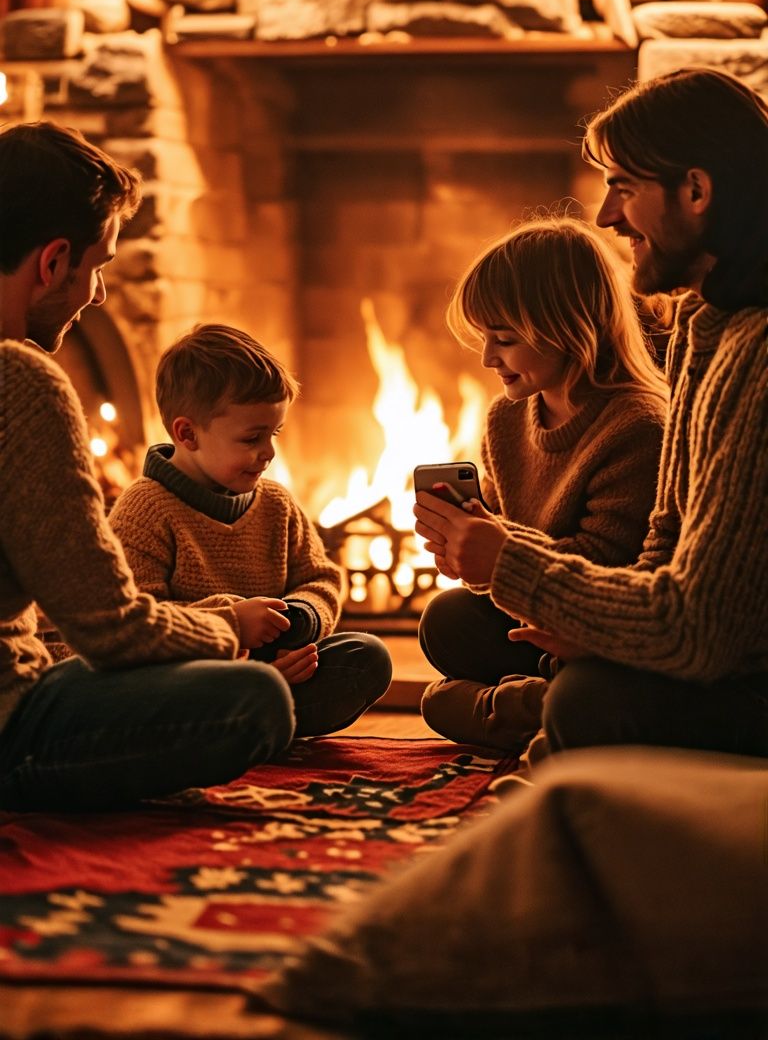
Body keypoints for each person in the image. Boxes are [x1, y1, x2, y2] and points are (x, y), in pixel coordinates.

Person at [415, 68, 768, 758]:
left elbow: (696, 632)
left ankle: (549, 720)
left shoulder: (755, 351)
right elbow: (661, 551)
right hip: (705, 642)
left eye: (624, 187)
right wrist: (581, 622)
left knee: (589, 701)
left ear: (696, 192)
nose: (606, 216)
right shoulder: (706, 325)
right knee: (456, 625)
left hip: (743, 669)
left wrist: (514, 567)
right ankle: (547, 718)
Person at [0, 120, 298, 813]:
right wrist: (229, 629)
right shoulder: (21, 383)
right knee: (256, 702)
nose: (99, 294)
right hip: (11, 726)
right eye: (98, 266)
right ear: (53, 262)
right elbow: (111, 630)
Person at [418, 215, 666, 754]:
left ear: (567, 327)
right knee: (445, 620)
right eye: (484, 339)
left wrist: (496, 550)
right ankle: (537, 702)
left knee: (445, 700)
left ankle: (526, 709)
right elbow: (503, 547)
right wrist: (468, 553)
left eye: (504, 339)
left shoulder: (639, 427)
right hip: (530, 615)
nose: (487, 358)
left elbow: (610, 571)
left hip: (598, 625)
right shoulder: (506, 420)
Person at [109, 324, 392, 738]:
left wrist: (303, 618)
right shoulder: (143, 511)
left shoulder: (276, 504)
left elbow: (320, 577)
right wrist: (231, 625)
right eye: (252, 438)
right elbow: (137, 625)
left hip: (278, 673)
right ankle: (249, 716)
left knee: (367, 656)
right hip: (194, 679)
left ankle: (258, 719)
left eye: (274, 433)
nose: (269, 453)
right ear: (186, 434)